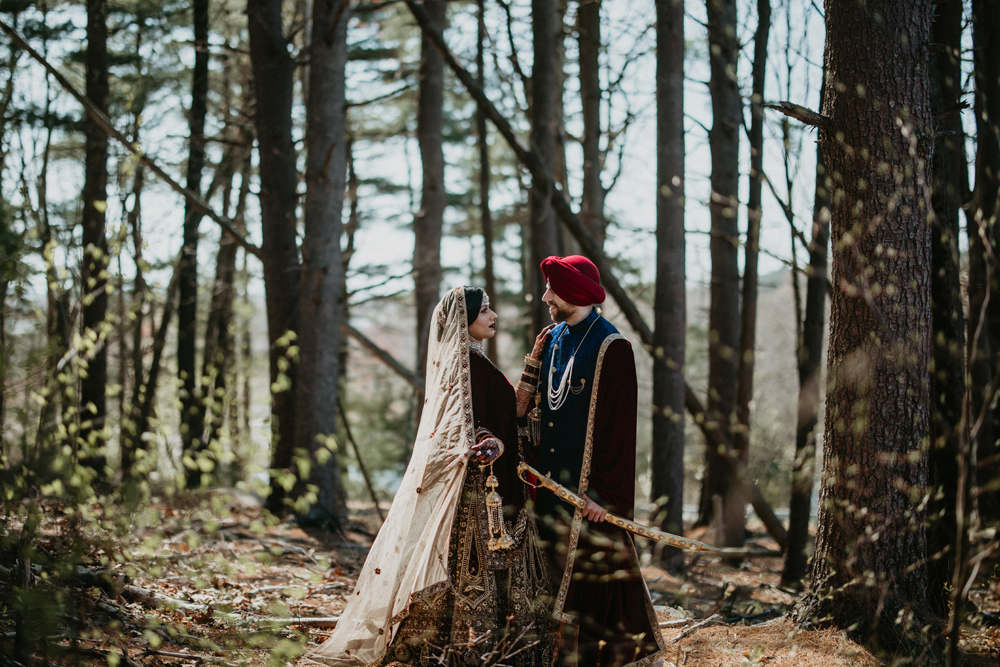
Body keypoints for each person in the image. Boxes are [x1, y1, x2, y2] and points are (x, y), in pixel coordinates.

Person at [303, 287, 556, 667]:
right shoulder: (467, 365)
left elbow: (510, 410)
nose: (493, 316)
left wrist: (534, 363)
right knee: (474, 570)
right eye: (484, 310)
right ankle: (474, 650)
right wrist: (490, 442)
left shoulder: (475, 361)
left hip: (498, 484)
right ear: (464, 320)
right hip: (481, 487)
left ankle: (487, 648)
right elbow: (467, 421)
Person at [515, 256, 665, 667]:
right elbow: (537, 414)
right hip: (548, 489)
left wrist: (603, 496)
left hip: (588, 499)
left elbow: (619, 432)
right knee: (552, 583)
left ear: (576, 294)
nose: (546, 296)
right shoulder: (553, 337)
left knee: (591, 587)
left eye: (553, 290)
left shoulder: (611, 347)